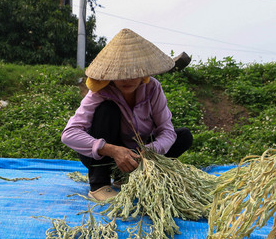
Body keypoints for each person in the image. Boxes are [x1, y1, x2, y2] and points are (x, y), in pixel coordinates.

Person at [62, 29, 193, 202]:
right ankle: (99, 184)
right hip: (104, 155)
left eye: (133, 73)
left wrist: (146, 152)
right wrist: (113, 150)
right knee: (107, 110)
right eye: (121, 74)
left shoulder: (153, 88)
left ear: (143, 72)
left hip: (138, 153)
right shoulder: (100, 92)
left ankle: (127, 176)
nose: (127, 79)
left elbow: (167, 132)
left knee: (183, 136)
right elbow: (69, 134)